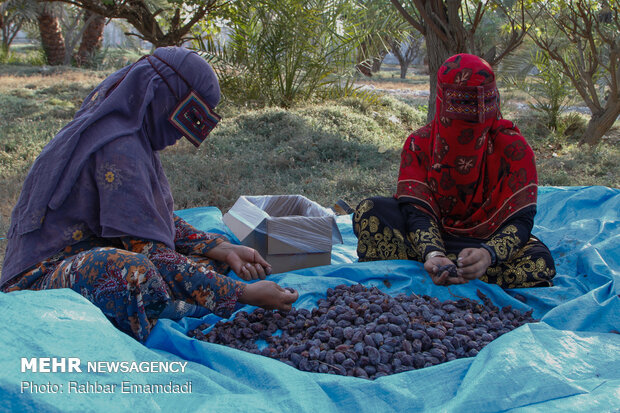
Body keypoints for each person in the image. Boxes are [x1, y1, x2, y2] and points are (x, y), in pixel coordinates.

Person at [0, 47, 298, 342]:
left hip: (100, 248)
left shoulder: (132, 135)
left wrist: (222, 248)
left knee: (201, 260)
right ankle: (175, 304)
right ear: (162, 97)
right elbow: (147, 252)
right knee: (134, 273)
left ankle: (178, 298)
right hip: (44, 275)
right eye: (187, 115)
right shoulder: (118, 145)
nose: (184, 133)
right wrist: (243, 295)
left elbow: (151, 221)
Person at [353, 53, 556, 289]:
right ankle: (446, 269)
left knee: (540, 262)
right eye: (458, 125)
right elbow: (416, 209)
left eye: (477, 126)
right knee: (370, 211)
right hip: (426, 237)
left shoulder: (514, 148)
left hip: (485, 242)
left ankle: (449, 270)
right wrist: (432, 253)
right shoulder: (420, 143)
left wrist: (488, 255)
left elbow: (521, 220)